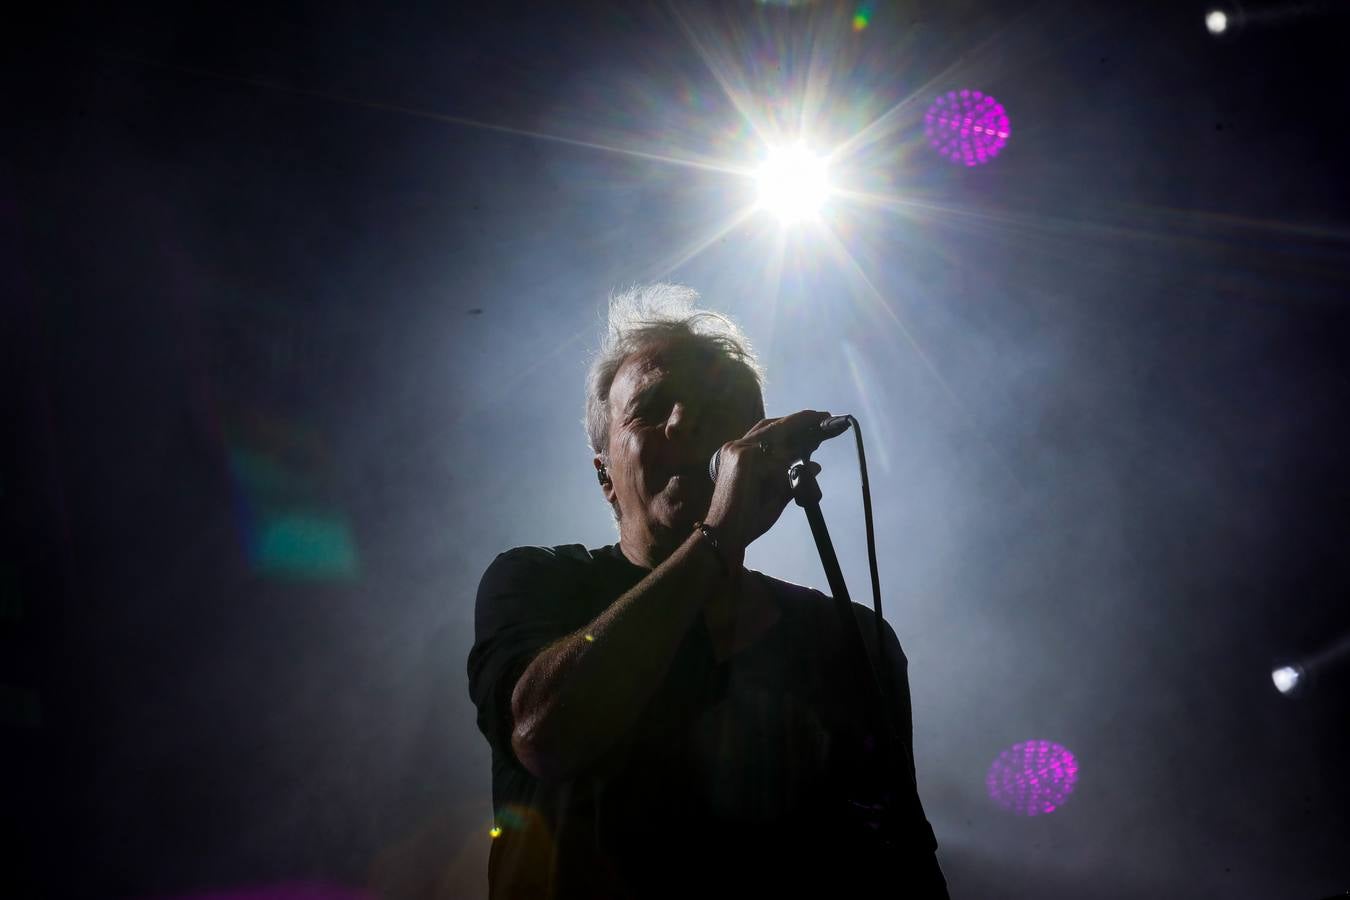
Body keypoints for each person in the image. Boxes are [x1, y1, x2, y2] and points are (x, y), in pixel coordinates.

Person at [467, 284, 948, 899]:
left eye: (719, 408)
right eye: (653, 405)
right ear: (604, 475)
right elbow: (544, 735)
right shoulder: (538, 582)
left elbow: (897, 857)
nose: (686, 422)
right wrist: (716, 536)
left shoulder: (850, 639)